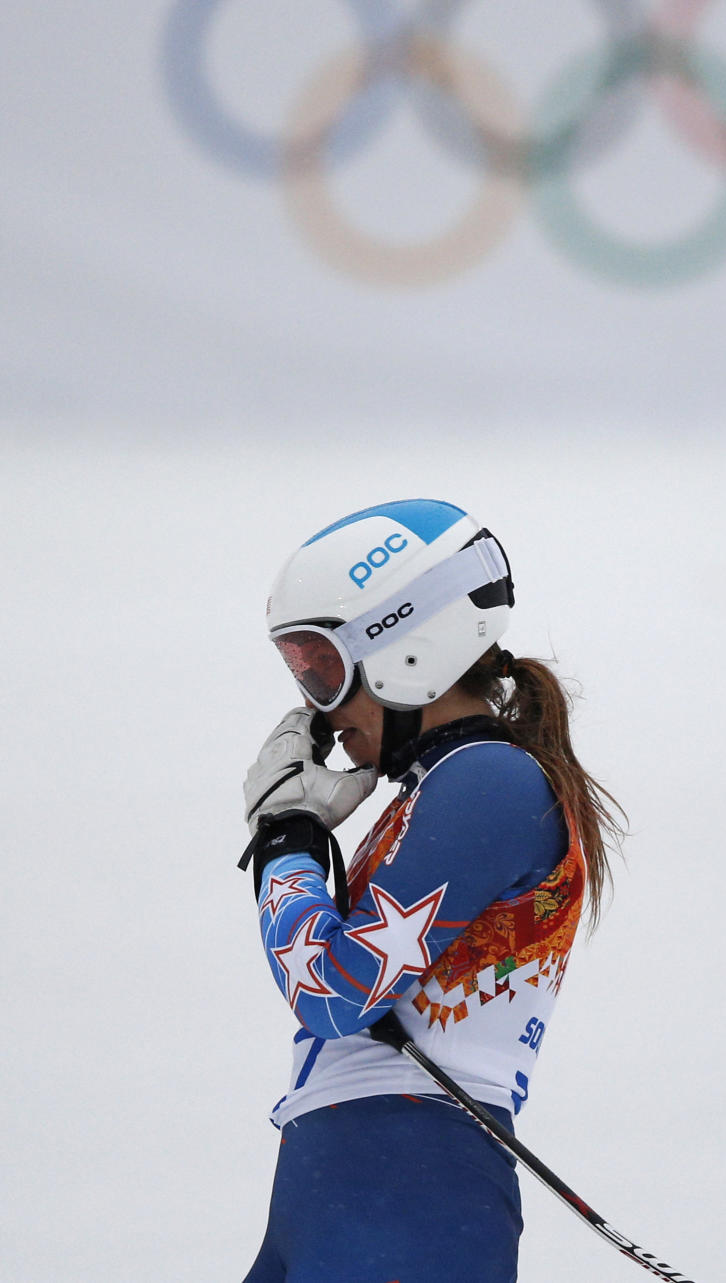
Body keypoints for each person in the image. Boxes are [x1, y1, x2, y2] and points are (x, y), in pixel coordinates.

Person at [239, 499, 624, 1283]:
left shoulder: (488, 781)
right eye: (299, 670)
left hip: (401, 1182)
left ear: (407, 645)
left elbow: (333, 991)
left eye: (322, 667)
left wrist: (288, 840)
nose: (316, 707)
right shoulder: (433, 794)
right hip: (346, 1181)